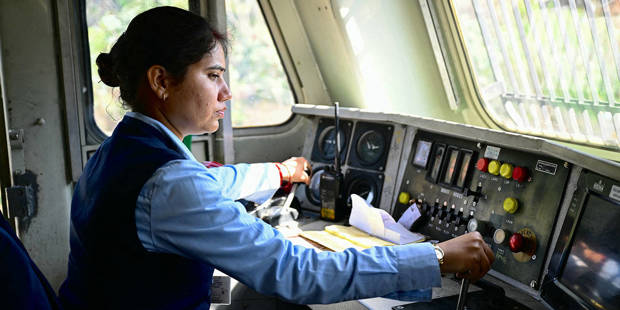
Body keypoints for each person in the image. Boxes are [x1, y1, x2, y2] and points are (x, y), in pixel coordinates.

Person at [58, 6, 494, 310]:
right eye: (213, 76)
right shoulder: (168, 183)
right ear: (161, 81)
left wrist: (279, 172)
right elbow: (294, 271)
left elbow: (217, 182)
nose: (226, 92)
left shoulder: (117, 152)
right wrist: (436, 257)